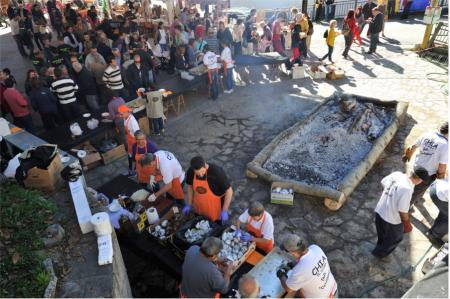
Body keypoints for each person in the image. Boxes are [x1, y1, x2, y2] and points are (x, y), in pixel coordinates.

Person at [372, 167, 429, 258]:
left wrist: (391, 195)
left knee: (382, 233)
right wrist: (407, 224)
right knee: (395, 238)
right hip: (392, 219)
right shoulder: (407, 189)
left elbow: (383, 182)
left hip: (380, 210)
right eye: (422, 180)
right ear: (418, 180)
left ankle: (379, 246)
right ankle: (379, 254)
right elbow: (402, 211)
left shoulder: (397, 174)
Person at [278, 234, 338, 298]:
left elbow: (288, 289)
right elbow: (309, 262)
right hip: (334, 289)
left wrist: (281, 274)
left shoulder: (300, 270)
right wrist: (294, 264)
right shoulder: (315, 248)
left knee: (293, 292)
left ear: (292, 253)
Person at [403, 122, 448, 205]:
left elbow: (413, 147)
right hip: (427, 174)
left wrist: (406, 156)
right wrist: (440, 180)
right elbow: (442, 167)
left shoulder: (428, 134)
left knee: (411, 184)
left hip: (416, 166)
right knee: (417, 191)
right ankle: (405, 207)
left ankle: (416, 197)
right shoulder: (446, 145)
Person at [183, 156, 233, 223]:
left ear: (205, 166)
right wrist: (189, 204)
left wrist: (225, 210)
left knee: (215, 225)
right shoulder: (190, 172)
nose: (200, 175)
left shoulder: (217, 173)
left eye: (202, 172)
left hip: (215, 207)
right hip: (200, 205)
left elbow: (229, 191)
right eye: (197, 173)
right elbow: (190, 187)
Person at [118, 105, 140, 175]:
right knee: (130, 155)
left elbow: (138, 134)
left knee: (136, 157)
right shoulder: (126, 117)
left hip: (134, 142)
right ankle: (130, 169)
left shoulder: (133, 122)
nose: (120, 116)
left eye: (121, 114)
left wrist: (137, 145)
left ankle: (136, 171)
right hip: (130, 141)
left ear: (127, 112)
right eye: (120, 114)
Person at [427, 178, 448, 244]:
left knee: (445, 212)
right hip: (438, 194)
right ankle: (434, 235)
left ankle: (433, 230)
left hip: (437, 186)